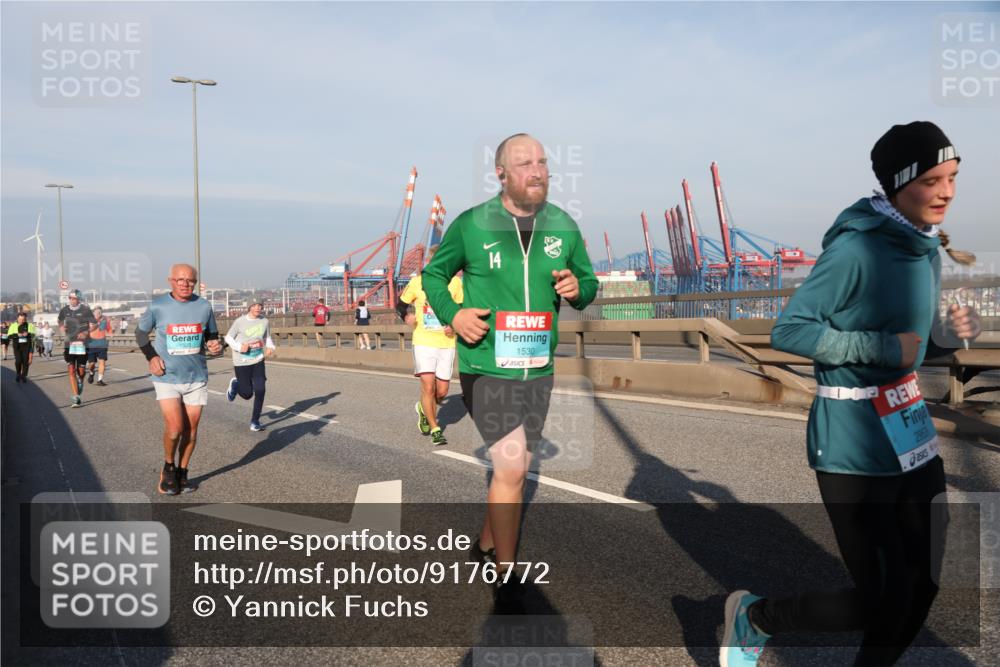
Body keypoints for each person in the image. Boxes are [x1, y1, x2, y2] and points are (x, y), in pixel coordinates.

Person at [720, 122, 981, 667]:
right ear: (897, 185)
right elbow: (789, 331)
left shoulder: (924, 249)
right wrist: (884, 347)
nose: (947, 192)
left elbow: (913, 349)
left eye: (952, 177)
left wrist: (945, 338)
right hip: (854, 445)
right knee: (883, 598)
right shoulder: (857, 250)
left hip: (910, 434)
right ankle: (757, 618)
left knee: (927, 583)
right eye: (932, 180)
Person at [423, 133, 598, 609]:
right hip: (487, 364)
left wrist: (575, 285)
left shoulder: (563, 224)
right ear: (501, 173)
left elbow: (588, 283)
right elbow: (432, 276)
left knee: (513, 470)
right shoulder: (472, 225)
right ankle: (506, 579)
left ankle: (483, 543)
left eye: (542, 161)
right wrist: (453, 314)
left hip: (538, 368)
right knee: (514, 462)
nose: (537, 170)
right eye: (525, 163)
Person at [135, 263, 222, 495]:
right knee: (175, 428)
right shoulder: (158, 306)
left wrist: (214, 344)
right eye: (180, 280)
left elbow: (211, 334)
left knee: (191, 432)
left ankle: (183, 472)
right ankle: (168, 467)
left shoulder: (203, 306)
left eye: (190, 280)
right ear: (170, 281)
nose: (185, 284)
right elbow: (140, 333)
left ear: (195, 282)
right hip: (166, 377)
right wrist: (151, 357)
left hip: (196, 377)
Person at [397, 249, 463, 446]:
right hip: (423, 341)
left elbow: (461, 307)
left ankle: (423, 409)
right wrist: (406, 316)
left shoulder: (455, 282)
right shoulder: (418, 282)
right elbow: (400, 305)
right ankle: (435, 429)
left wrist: (454, 325)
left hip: (446, 343)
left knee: (441, 391)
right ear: (429, 261)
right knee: (428, 385)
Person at [225, 300, 276, 432]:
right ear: (249, 307)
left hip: (258, 360)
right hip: (241, 361)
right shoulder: (240, 321)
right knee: (247, 394)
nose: (258, 308)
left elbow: (267, 337)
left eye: (260, 305)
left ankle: (255, 421)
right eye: (255, 305)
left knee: (260, 390)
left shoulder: (264, 321)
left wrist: (270, 346)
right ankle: (236, 384)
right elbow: (228, 338)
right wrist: (239, 347)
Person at [58, 290, 95, 407]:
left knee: (81, 371)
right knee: (71, 369)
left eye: (74, 298)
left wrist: (85, 333)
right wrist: (62, 327)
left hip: (82, 344)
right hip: (69, 343)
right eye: (70, 298)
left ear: (79, 299)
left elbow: (94, 325)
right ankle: (76, 396)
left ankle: (81, 380)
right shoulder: (64, 310)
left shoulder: (85, 310)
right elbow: (59, 321)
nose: (72, 300)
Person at [7, 313, 37, 383]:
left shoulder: (29, 325)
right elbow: (9, 336)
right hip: (17, 346)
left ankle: (24, 376)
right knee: (18, 361)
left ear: (25, 319)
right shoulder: (13, 325)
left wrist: (28, 334)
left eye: (23, 319)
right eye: (20, 319)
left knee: (25, 362)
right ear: (17, 318)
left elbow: (34, 335)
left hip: (26, 346)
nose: (22, 321)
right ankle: (18, 373)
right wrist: (17, 335)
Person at [86, 306, 111, 386]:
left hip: (102, 345)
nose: (98, 314)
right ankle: (91, 372)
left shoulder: (104, 321)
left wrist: (111, 332)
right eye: (96, 312)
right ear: (93, 313)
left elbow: (107, 328)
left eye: (100, 312)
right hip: (91, 346)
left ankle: (100, 380)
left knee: (102, 362)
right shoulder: (88, 321)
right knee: (92, 364)